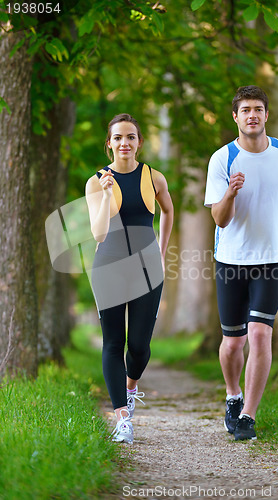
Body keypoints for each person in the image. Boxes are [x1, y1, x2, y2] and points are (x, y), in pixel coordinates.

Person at [204, 86, 278, 441]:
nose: (252, 115)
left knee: (260, 334)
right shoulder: (223, 159)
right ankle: (233, 395)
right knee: (233, 343)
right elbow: (220, 220)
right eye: (245, 110)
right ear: (236, 117)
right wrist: (230, 192)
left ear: (266, 114)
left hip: (272, 259)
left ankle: (247, 416)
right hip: (231, 260)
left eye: (258, 109)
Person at [85, 113, 173, 444]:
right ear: (109, 144)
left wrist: (161, 252)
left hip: (148, 268)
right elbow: (98, 232)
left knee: (138, 346)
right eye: (118, 137)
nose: (125, 143)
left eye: (131, 137)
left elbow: (168, 211)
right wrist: (107, 194)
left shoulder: (154, 178)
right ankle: (122, 417)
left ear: (139, 142)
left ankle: (131, 386)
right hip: (108, 265)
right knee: (112, 342)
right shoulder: (96, 181)